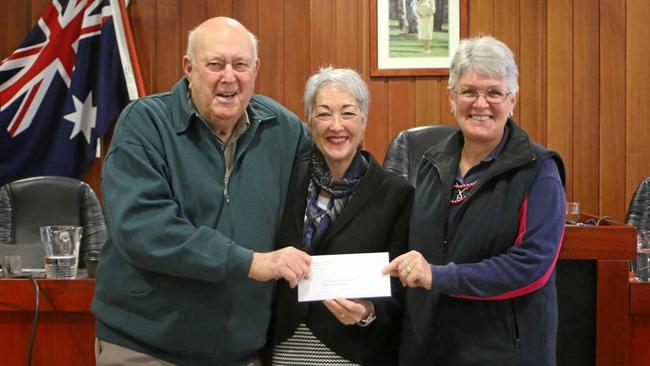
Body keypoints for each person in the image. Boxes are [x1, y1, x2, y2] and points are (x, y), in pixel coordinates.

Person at [92, 17, 313, 366]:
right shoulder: (145, 124)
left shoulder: (284, 130)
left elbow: (334, 188)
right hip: (145, 347)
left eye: (240, 65)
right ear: (189, 68)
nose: (229, 77)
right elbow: (143, 228)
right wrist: (249, 263)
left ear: (255, 69)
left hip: (241, 350)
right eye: (215, 64)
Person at [384, 36, 566, 365]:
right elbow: (408, 248)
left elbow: (531, 266)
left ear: (513, 100)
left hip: (503, 354)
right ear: (452, 98)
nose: (480, 104)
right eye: (469, 92)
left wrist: (440, 277)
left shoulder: (539, 171)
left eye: (494, 92)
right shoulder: (429, 163)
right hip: (429, 349)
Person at [266, 67, 413, 366]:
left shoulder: (396, 194)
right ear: (309, 122)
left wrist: (368, 312)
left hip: (355, 349)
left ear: (364, 121)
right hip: (283, 344)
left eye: (347, 113)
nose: (336, 126)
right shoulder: (286, 180)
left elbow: (402, 286)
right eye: (323, 114)